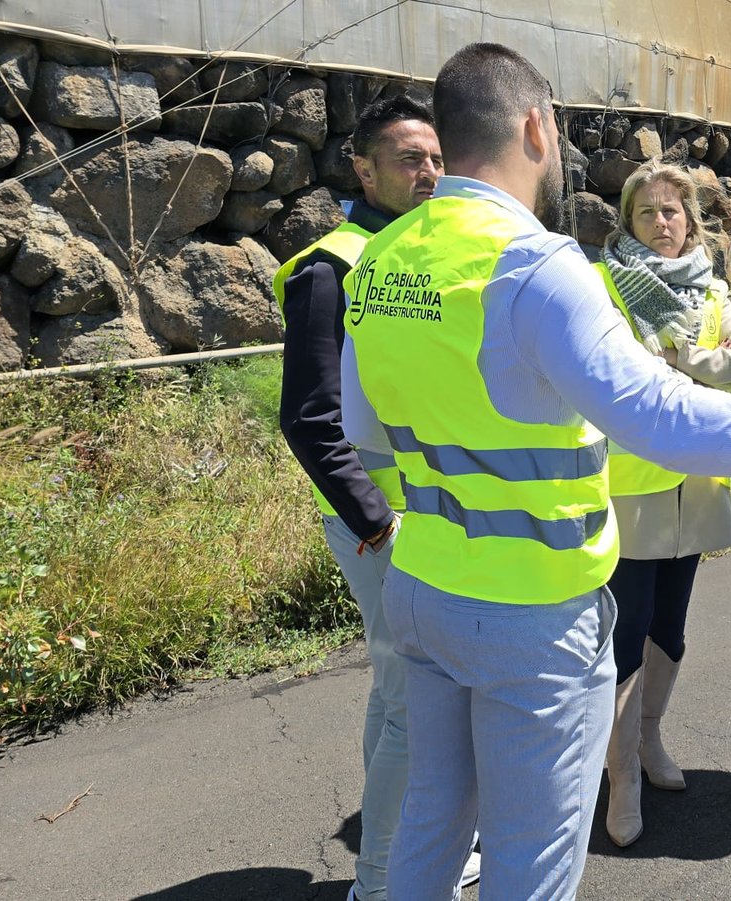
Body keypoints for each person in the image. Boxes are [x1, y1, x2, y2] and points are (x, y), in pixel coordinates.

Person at [340, 42, 731, 901]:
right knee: (531, 859)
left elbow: (362, 434)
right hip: (530, 608)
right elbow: (669, 420)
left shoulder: (380, 260)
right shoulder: (534, 265)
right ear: (535, 126)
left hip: (421, 585)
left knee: (432, 819)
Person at [272, 96, 480, 901]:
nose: (428, 173)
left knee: (395, 688)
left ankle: (407, 853)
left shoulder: (418, 253)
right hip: (380, 522)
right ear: (362, 169)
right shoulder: (335, 266)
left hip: (424, 514)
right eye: (407, 160)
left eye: (435, 158)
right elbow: (310, 418)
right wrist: (376, 523)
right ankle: (385, 878)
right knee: (411, 700)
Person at [592, 161, 731, 846]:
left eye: (673, 212)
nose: (663, 223)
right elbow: (614, 375)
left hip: (697, 483)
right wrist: (679, 364)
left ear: (692, 221)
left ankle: (649, 740)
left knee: (672, 627)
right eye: (647, 213)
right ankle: (620, 772)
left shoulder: (711, 292)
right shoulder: (604, 286)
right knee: (624, 635)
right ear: (627, 222)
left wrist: (688, 357)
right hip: (632, 487)